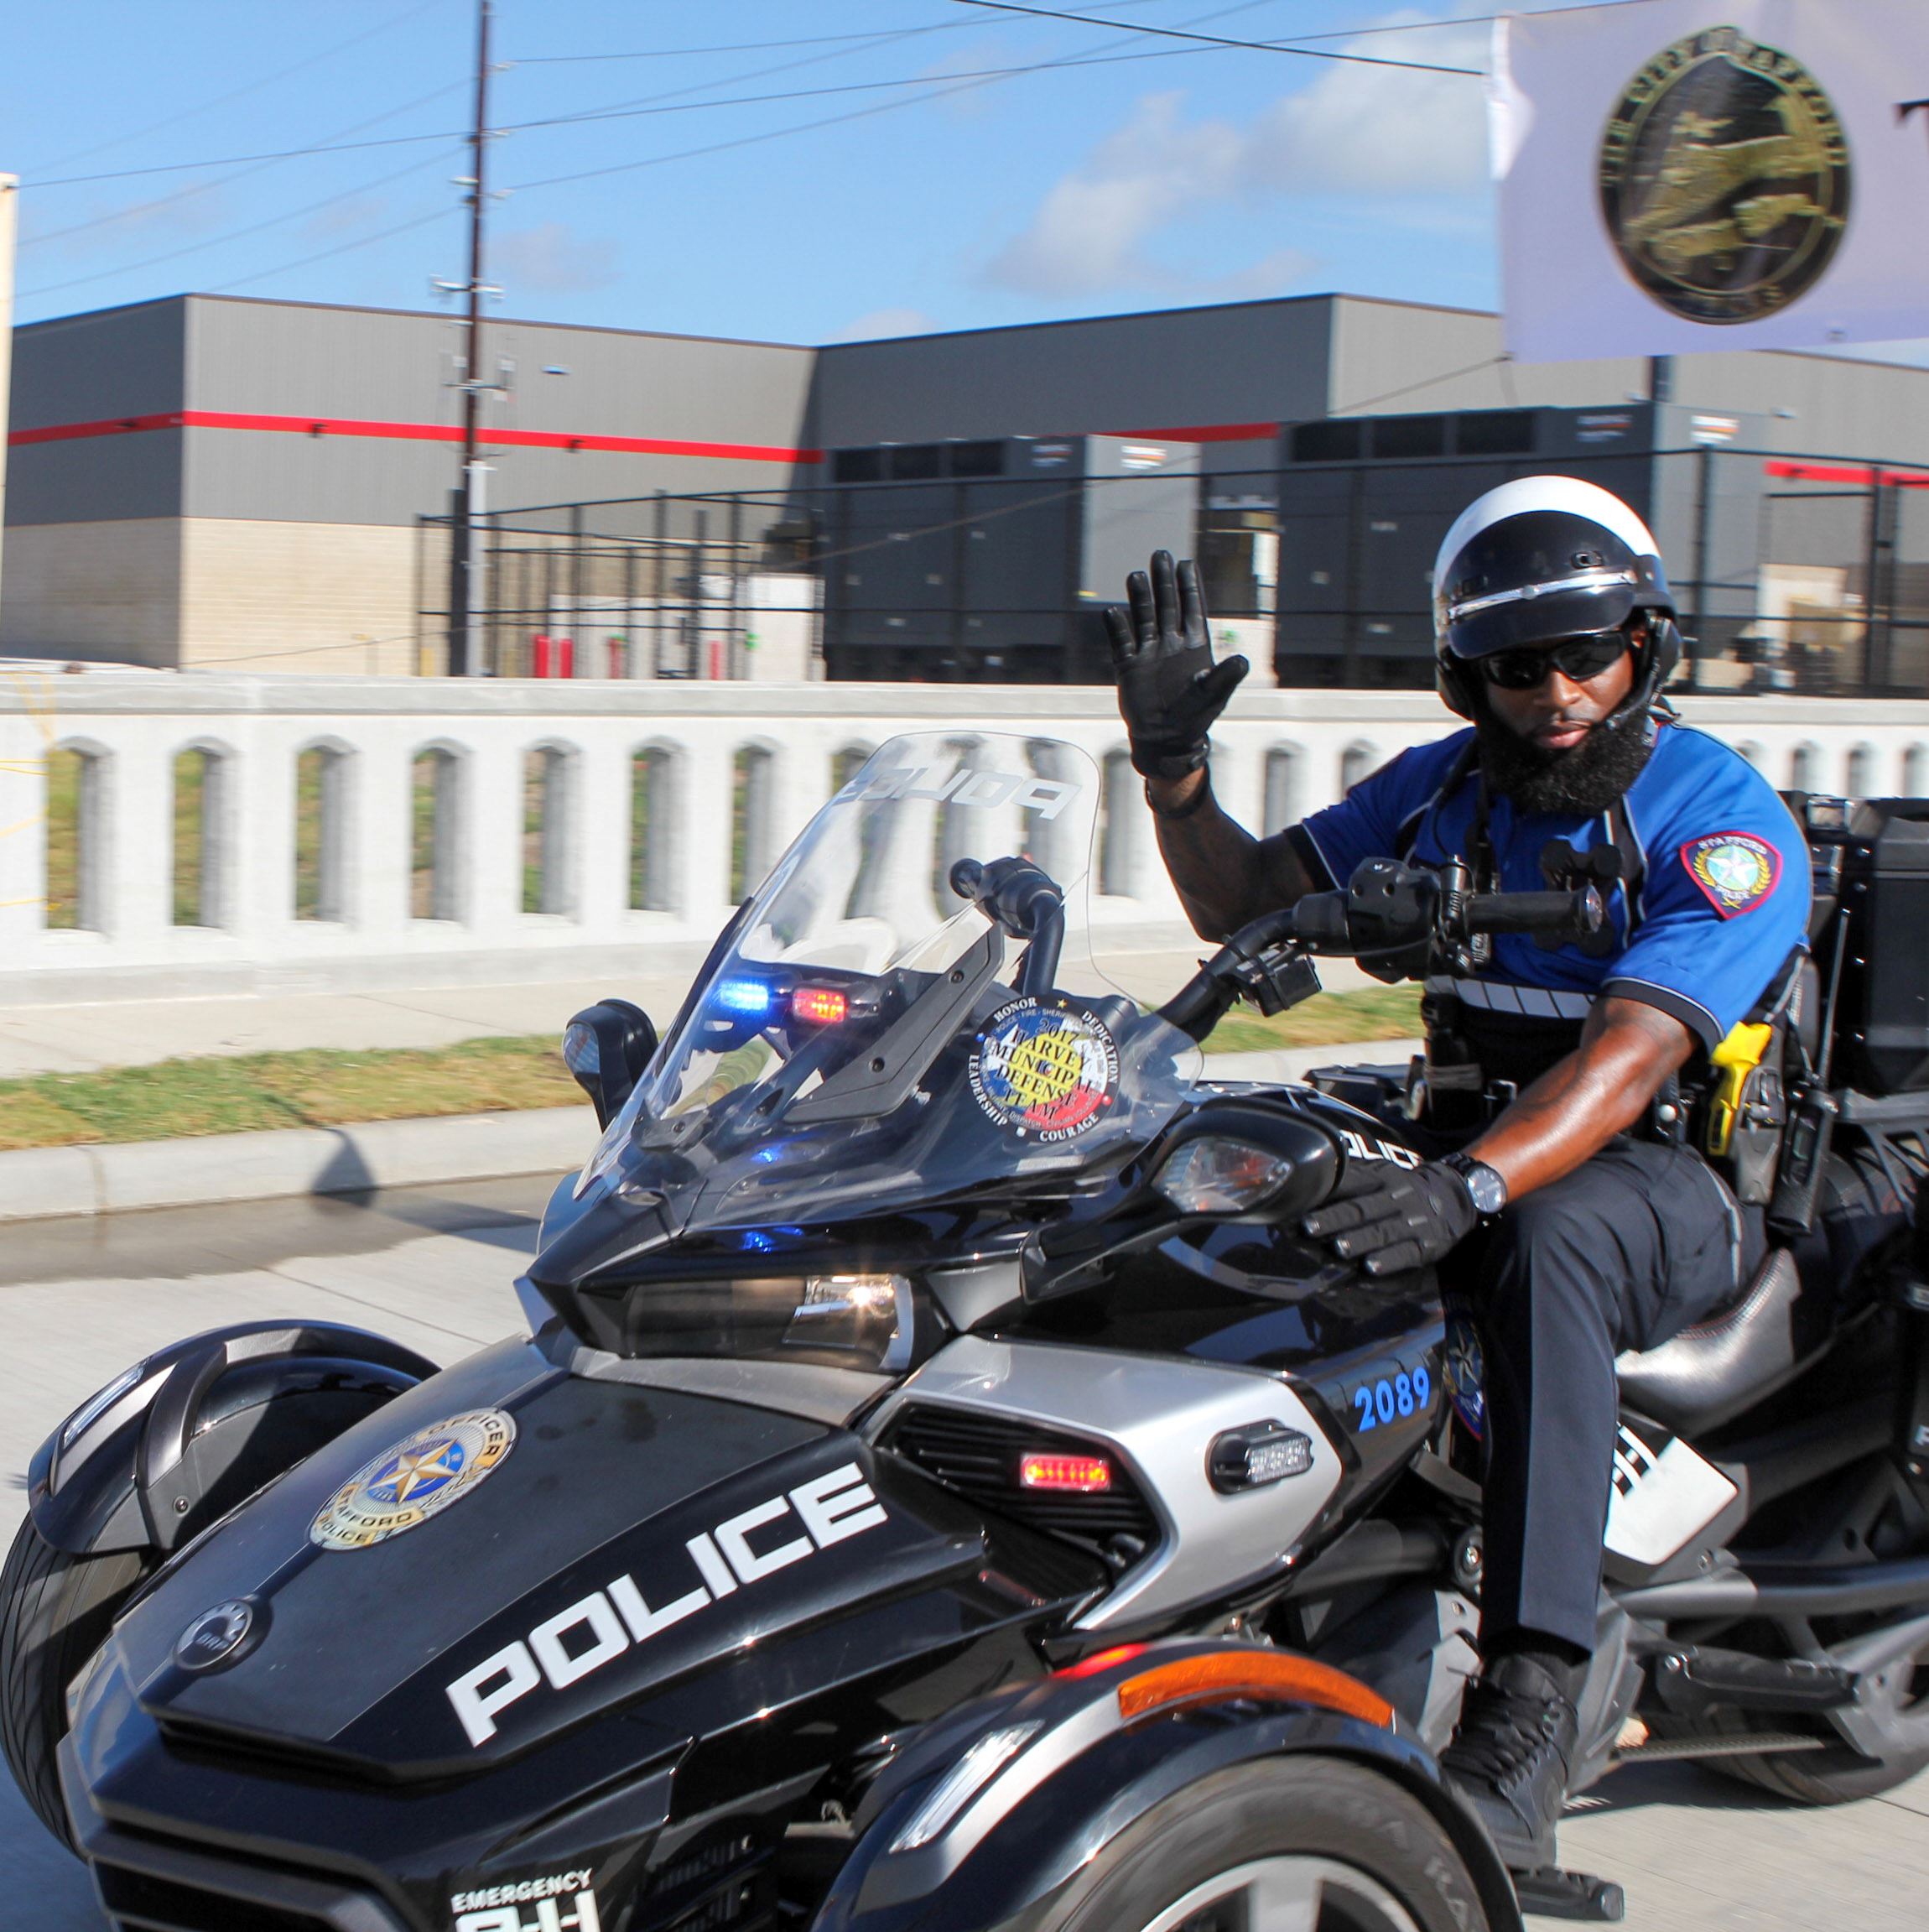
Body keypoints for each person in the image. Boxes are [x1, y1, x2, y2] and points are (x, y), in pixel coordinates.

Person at [1105, 476, 1809, 1870]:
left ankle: (1530, 1707)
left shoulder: (1718, 824)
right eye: (1513, 666)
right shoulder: (1444, 788)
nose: (1552, 690)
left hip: (1661, 1181)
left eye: (1582, 654)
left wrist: (1469, 1188)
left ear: (1644, 645)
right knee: (1236, 1178)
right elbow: (1252, 904)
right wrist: (1172, 774)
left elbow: (1624, 1061)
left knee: (1547, 1245)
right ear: (1468, 680)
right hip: (1470, 1131)